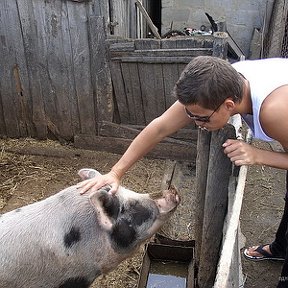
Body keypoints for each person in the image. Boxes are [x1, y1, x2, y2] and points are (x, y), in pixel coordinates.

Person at [78, 55, 288, 287]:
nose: (195, 122)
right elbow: (160, 127)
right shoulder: (216, 86)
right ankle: (280, 247)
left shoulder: (273, 112)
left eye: (200, 117)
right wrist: (116, 172)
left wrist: (259, 155)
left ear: (229, 105)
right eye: (190, 114)